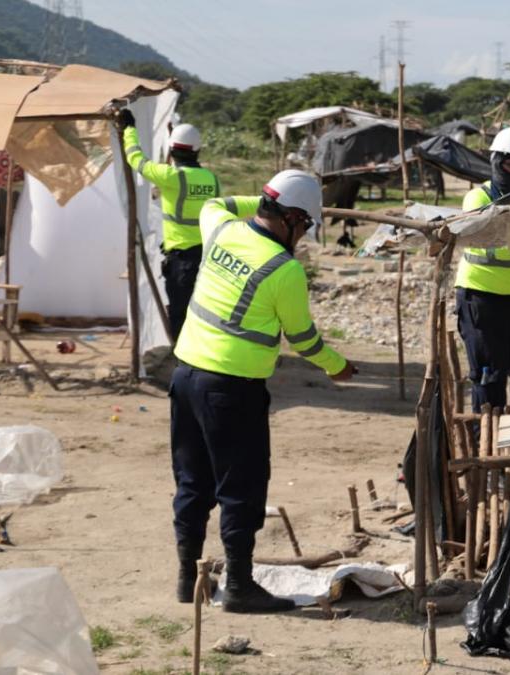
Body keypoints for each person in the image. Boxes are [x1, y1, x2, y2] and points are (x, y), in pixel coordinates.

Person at [169, 170, 355, 613]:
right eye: (304, 225)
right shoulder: (284, 270)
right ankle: (239, 586)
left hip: (186, 377)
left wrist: (265, 197)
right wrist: (339, 367)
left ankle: (187, 579)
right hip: (232, 390)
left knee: (193, 483)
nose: (304, 236)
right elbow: (304, 339)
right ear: (290, 218)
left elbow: (216, 203)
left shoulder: (221, 228)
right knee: (241, 489)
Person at [454, 126, 510, 413]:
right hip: (481, 298)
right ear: (498, 163)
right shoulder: (479, 197)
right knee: (490, 375)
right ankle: (486, 436)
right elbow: (492, 232)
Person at [118, 109, 219, 341]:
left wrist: (129, 129)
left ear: (172, 150)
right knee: (204, 313)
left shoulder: (171, 176)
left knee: (180, 315)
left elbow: (135, 158)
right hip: (209, 259)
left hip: (182, 262)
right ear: (198, 150)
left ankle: (182, 358)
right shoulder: (212, 179)